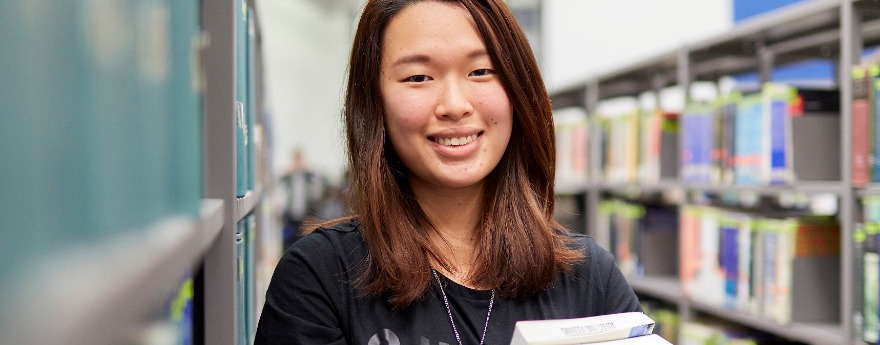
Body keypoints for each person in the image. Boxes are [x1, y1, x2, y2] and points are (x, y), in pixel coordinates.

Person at [254, 0, 641, 344]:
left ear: (518, 90)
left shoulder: (591, 278)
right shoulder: (320, 276)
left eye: (481, 71)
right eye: (418, 77)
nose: (454, 105)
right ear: (375, 105)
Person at [275, 148, 326, 250]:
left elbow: (321, 181)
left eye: (300, 160)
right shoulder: (288, 176)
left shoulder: (308, 175)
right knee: (289, 240)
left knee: (303, 239)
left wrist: (308, 169)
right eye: (296, 160)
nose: (298, 163)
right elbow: (277, 182)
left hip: (305, 214)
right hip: (290, 214)